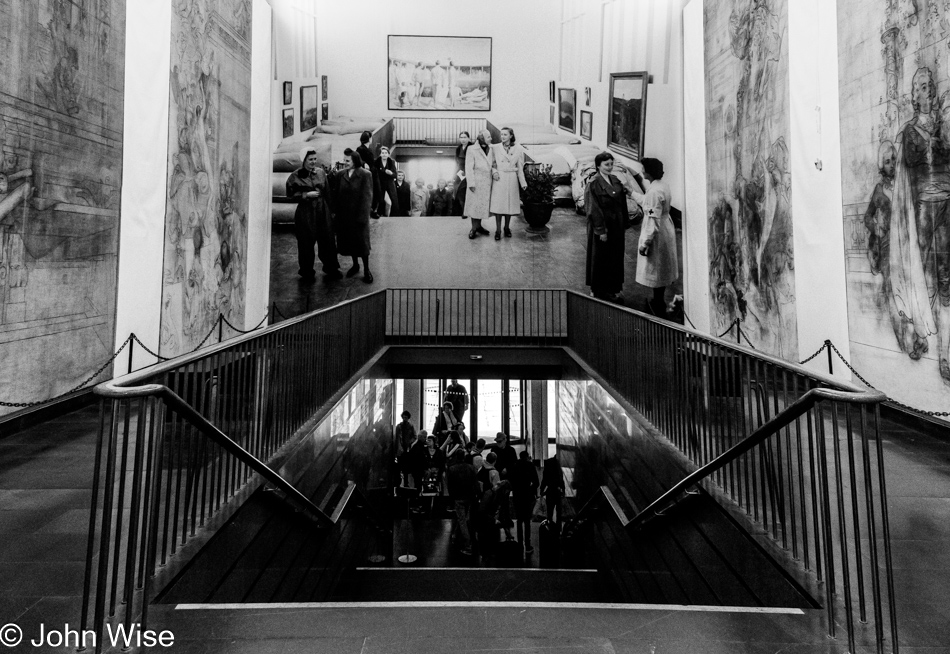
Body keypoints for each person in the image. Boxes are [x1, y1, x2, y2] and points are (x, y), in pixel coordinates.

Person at [629, 157, 678, 318]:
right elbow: (647, 203)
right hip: (666, 228)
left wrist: (645, 244)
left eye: (643, 169)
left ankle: (658, 302)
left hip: (657, 233)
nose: (642, 171)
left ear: (649, 171)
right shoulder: (661, 185)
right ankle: (659, 300)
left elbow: (652, 220)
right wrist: (631, 193)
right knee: (662, 267)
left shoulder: (654, 191)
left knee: (657, 268)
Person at [285, 147, 341, 282]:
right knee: (306, 242)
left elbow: (327, 192)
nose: (313, 162)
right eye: (310, 159)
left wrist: (332, 212)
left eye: (315, 159)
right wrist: (305, 195)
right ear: (303, 160)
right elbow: (290, 195)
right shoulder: (295, 176)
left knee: (327, 240)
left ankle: (331, 268)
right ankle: (306, 271)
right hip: (306, 213)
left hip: (323, 211)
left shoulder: (321, 173)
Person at [585, 151, 632, 304]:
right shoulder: (593, 183)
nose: (609, 167)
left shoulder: (616, 180)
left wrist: (625, 222)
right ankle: (599, 289)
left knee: (615, 256)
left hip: (616, 225)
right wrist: (601, 230)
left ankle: (613, 288)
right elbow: (593, 209)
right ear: (598, 165)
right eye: (606, 165)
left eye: (611, 164)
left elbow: (622, 203)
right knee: (600, 257)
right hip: (603, 226)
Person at [333, 149, 374, 283]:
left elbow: (367, 197)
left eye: (347, 161)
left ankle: (367, 270)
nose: (345, 163)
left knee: (362, 244)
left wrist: (363, 217)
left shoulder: (365, 174)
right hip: (345, 216)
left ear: (355, 160)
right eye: (344, 160)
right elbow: (337, 195)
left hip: (359, 216)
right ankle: (355, 265)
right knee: (350, 243)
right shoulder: (340, 175)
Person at [489, 126, 527, 240]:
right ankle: (498, 230)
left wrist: (523, 183)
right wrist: (494, 172)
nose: (503, 137)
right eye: (501, 134)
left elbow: (520, 167)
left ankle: (506, 228)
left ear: (511, 136)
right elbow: (492, 163)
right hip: (500, 178)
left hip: (511, 178)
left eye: (505, 134)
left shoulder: (519, 149)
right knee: (499, 206)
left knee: (509, 206)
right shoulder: (495, 148)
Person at [446, 449, 478, 555]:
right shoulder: (471, 468)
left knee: (461, 519)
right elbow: (475, 483)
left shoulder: (452, 469)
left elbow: (450, 486)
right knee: (464, 518)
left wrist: (451, 499)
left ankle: (467, 544)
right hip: (469, 496)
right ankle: (456, 535)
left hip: (458, 497)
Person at [465, 129, 495, 238]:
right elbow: (469, 168)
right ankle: (473, 228)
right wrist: (471, 183)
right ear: (482, 138)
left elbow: (493, 164)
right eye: (489, 137)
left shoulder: (492, 148)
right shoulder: (472, 149)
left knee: (482, 206)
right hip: (476, 182)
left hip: (487, 181)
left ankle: (479, 226)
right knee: (474, 206)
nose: (491, 139)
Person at [511, 451, 539, 554]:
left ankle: (519, 543)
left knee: (519, 519)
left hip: (517, 494)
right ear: (527, 457)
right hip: (527, 494)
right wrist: (531, 491)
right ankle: (527, 544)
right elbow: (536, 482)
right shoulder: (530, 465)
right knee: (527, 520)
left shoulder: (515, 465)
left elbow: (512, 480)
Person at [356, 131, 381, 219]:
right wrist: (364, 163)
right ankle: (370, 211)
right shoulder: (360, 149)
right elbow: (358, 159)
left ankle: (374, 210)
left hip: (373, 172)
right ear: (369, 139)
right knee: (369, 192)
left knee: (377, 191)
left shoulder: (369, 148)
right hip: (367, 173)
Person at [539, 456, 565, 524]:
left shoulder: (548, 469)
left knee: (549, 511)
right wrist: (563, 491)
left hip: (550, 492)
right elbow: (561, 481)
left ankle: (550, 526)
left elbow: (544, 480)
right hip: (558, 491)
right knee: (559, 512)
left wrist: (541, 490)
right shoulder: (558, 470)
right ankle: (558, 528)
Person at [375, 146, 399, 216]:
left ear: (388, 154)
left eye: (386, 153)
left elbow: (395, 174)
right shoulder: (377, 162)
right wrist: (383, 171)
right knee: (380, 199)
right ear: (380, 154)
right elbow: (375, 172)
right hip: (380, 182)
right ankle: (380, 214)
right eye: (383, 153)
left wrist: (391, 173)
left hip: (389, 181)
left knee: (394, 199)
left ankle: (394, 215)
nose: (384, 154)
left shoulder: (391, 161)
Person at [454, 131, 472, 219]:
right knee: (460, 192)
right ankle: (464, 211)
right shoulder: (458, 148)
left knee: (468, 192)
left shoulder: (472, 147)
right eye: (461, 137)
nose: (463, 139)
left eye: (465, 137)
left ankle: (469, 211)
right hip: (460, 172)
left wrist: (466, 171)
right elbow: (456, 162)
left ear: (469, 138)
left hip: (469, 172)